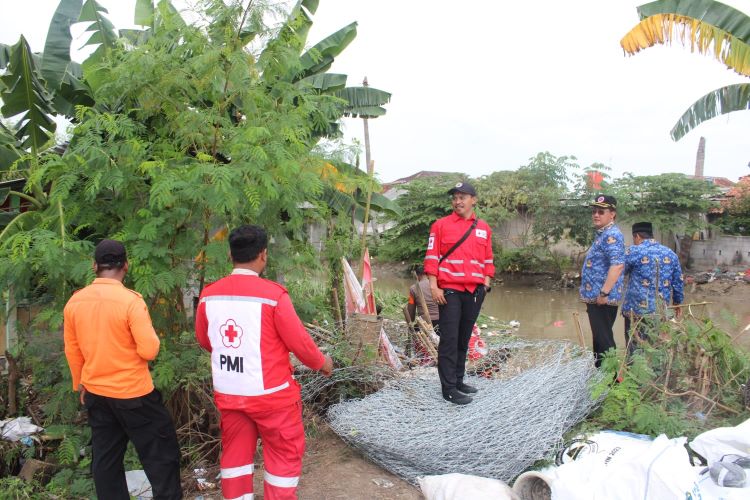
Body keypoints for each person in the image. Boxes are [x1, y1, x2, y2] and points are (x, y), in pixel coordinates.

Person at [195, 224, 333, 500]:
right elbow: (300, 343)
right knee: (283, 456)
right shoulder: (273, 296)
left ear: (230, 255)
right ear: (263, 255)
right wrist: (323, 364)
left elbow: (206, 340)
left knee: (235, 458)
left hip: (230, 393)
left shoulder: (209, 295)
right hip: (273, 397)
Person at [63, 240, 182, 500]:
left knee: (105, 462)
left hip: (96, 393)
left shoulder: (75, 302)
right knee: (161, 457)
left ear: (94, 266)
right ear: (126, 266)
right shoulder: (130, 302)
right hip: (134, 395)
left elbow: (72, 350)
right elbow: (149, 350)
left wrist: (79, 384)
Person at [424, 182, 494, 405]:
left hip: (475, 291)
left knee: (464, 338)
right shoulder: (440, 225)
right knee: (449, 340)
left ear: (474, 200)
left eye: (463, 197)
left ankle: (459, 380)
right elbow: (432, 258)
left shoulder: (483, 228)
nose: (458, 201)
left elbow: (488, 260)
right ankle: (449, 389)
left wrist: (486, 284)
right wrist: (434, 287)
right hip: (450, 291)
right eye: (455, 197)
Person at [622, 221, 684, 353]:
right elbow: (678, 282)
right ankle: (658, 372)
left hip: (635, 313)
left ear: (637, 236)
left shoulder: (633, 251)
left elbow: (619, 272)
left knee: (634, 350)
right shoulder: (670, 254)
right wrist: (677, 303)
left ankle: (632, 371)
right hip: (660, 312)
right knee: (657, 348)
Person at [580, 195, 625, 367]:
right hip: (596, 298)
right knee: (599, 343)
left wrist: (604, 292)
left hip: (602, 299)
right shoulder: (603, 234)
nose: (596, 215)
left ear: (612, 214)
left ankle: (614, 384)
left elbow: (618, 265)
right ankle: (601, 379)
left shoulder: (611, 235)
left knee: (605, 342)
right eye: (594, 211)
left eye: (601, 211)